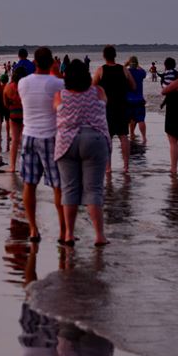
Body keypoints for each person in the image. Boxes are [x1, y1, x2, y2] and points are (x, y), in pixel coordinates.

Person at [53, 59, 110, 247]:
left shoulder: (60, 95)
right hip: (94, 140)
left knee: (69, 189)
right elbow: (104, 104)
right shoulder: (98, 92)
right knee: (93, 189)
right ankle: (99, 236)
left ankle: (69, 234)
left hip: (66, 142)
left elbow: (55, 111)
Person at [17, 46, 65, 242]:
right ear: (52, 62)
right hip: (50, 136)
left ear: (34, 62)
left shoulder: (23, 83)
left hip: (28, 134)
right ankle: (63, 230)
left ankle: (33, 229)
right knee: (57, 185)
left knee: (29, 184)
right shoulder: (57, 83)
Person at [92, 46, 135, 174]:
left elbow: (92, 87)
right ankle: (126, 166)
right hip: (122, 106)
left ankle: (108, 167)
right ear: (115, 55)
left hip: (107, 107)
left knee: (107, 138)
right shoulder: (123, 69)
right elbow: (133, 86)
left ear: (104, 56)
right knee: (123, 136)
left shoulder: (101, 70)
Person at [3, 66, 27, 172]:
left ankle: (12, 166)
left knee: (15, 141)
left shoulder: (9, 87)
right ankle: (25, 164)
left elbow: (5, 103)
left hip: (13, 115)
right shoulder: (27, 86)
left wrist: (12, 107)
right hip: (25, 114)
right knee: (25, 140)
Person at [125, 55, 147, 143]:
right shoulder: (141, 72)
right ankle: (144, 137)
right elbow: (143, 72)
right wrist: (137, 65)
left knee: (131, 119)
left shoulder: (126, 72)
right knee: (141, 119)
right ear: (137, 63)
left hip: (128, 99)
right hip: (139, 99)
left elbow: (119, 72)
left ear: (129, 63)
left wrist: (125, 64)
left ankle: (131, 134)